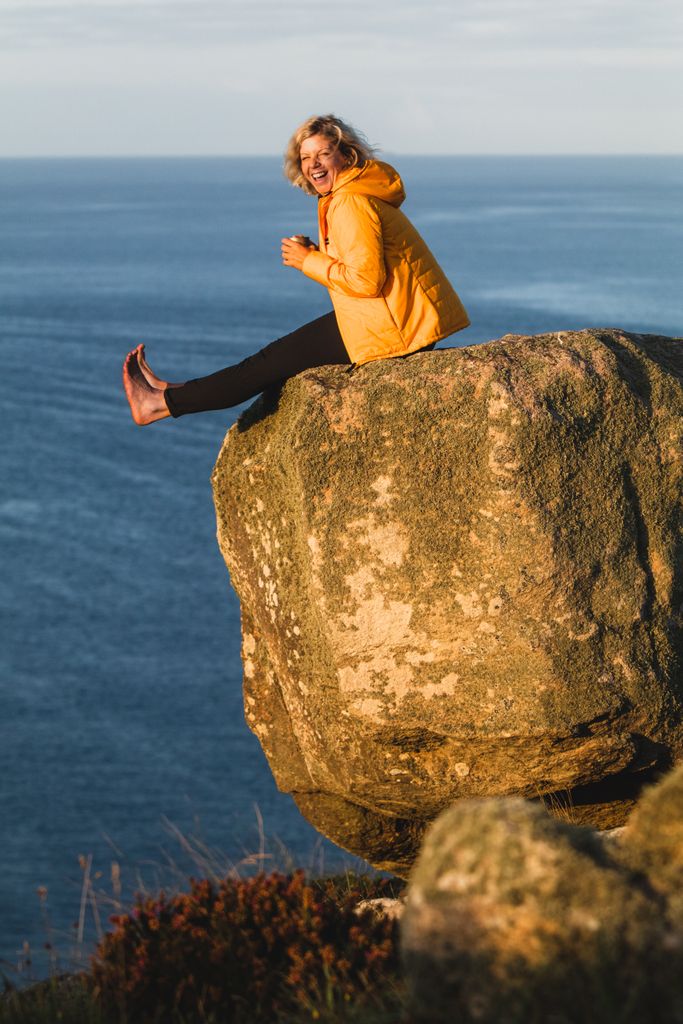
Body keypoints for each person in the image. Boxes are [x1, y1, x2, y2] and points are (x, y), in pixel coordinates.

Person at [122, 114, 470, 425]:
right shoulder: (353, 193)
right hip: (395, 319)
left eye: (322, 154)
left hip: (392, 328)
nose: (313, 165)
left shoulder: (349, 202)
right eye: (305, 157)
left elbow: (365, 280)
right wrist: (321, 254)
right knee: (268, 361)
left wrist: (309, 261)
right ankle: (171, 392)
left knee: (265, 364)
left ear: (346, 155)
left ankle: (160, 405)